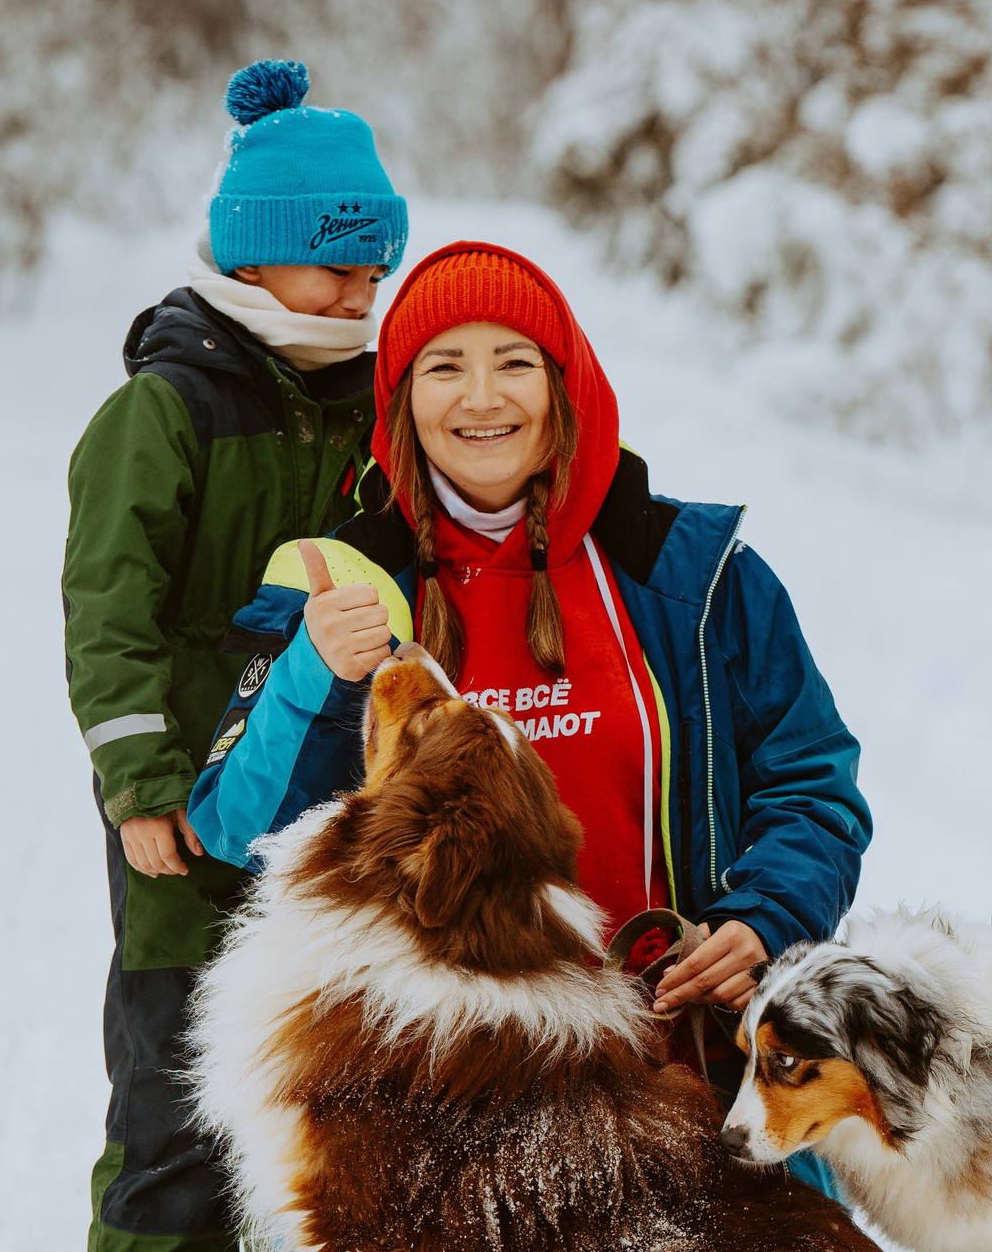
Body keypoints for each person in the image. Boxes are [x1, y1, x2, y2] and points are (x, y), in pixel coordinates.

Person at [189, 241, 870, 1110]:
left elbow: (811, 785)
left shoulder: (695, 574)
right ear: (401, 399)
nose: (481, 397)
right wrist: (311, 676)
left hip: (691, 1073)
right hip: (440, 1094)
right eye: (444, 367)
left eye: (514, 362)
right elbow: (235, 826)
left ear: (563, 383)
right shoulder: (346, 584)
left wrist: (763, 917)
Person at [62, 60, 405, 1252]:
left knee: (331, 1063)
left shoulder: (375, 402)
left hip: (328, 798)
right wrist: (139, 782)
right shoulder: (165, 411)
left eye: (377, 272)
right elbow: (109, 609)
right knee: (175, 1069)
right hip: (186, 809)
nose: (363, 295)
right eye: (339, 269)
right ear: (258, 252)